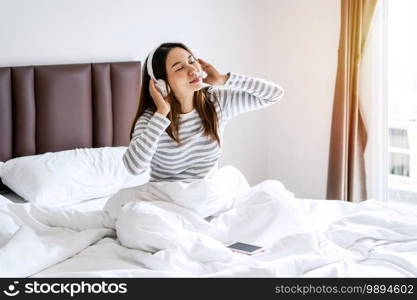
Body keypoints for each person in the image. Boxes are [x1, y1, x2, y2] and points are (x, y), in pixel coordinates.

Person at [123, 42, 285, 183]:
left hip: (208, 196)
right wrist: (161, 114)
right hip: (166, 200)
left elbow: (274, 94)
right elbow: (134, 168)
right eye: (179, 67)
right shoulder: (152, 120)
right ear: (161, 84)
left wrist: (225, 79)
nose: (193, 69)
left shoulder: (216, 102)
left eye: (192, 61)